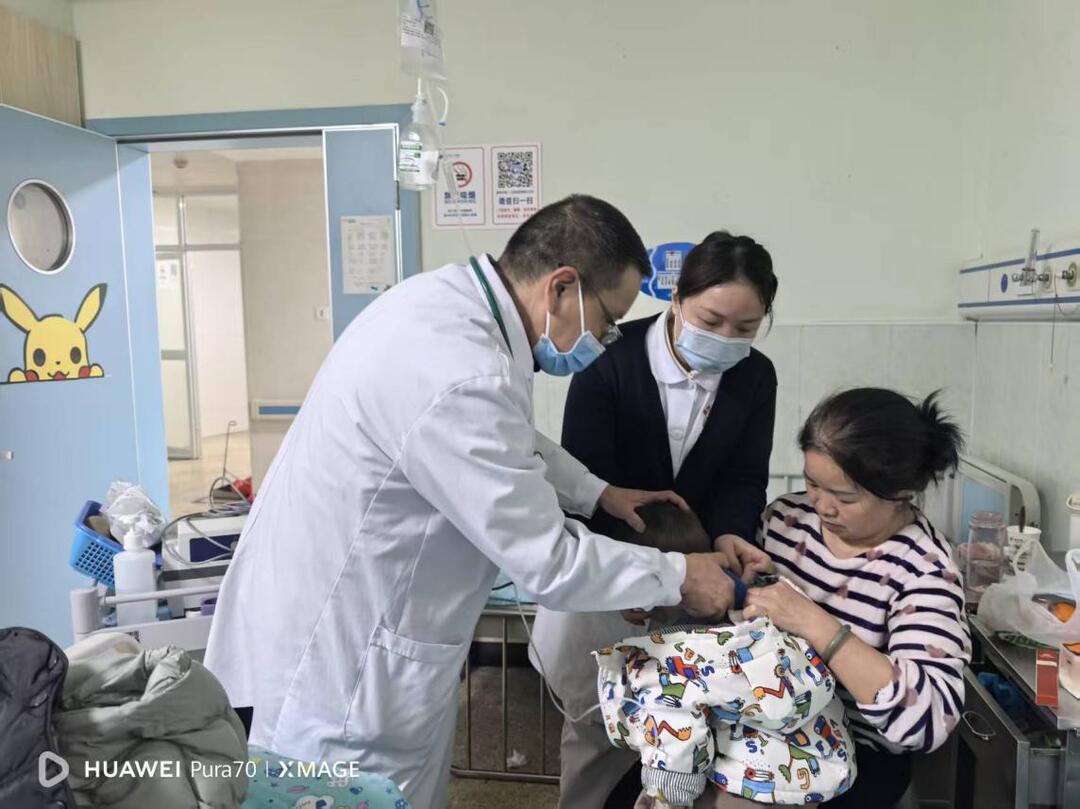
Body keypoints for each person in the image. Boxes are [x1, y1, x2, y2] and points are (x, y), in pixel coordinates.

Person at [203, 195, 740, 809]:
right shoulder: (464, 371)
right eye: (608, 319)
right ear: (562, 288)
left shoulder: (442, 306)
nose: (607, 338)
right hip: (343, 669)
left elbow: (508, 437)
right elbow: (549, 562)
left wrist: (600, 493)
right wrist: (679, 575)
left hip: (338, 618)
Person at [530, 232, 779, 809]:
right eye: (711, 320)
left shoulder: (754, 377)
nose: (726, 338)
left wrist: (730, 534)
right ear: (677, 297)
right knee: (599, 728)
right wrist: (641, 578)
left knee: (686, 728)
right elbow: (587, 483)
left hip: (698, 574)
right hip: (609, 573)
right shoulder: (610, 358)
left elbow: (744, 476)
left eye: (745, 328)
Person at [742, 388, 971, 808]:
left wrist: (815, 623)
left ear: (901, 492)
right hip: (763, 726)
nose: (823, 507)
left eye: (845, 497)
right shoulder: (785, 520)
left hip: (858, 756)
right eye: (813, 484)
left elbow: (928, 719)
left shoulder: (924, 570)